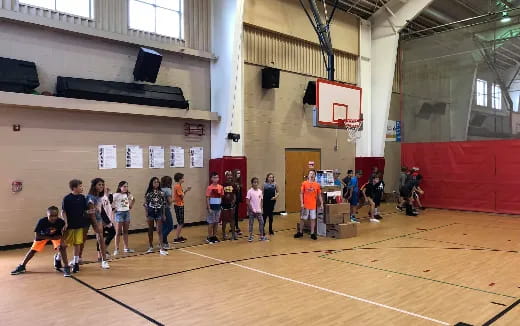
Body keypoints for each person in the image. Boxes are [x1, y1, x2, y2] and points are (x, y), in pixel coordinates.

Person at [11, 206, 71, 277]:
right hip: (43, 236)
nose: (53, 218)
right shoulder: (42, 221)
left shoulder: (61, 222)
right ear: (47, 214)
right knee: (32, 250)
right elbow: (37, 236)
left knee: (62, 247)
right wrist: (50, 238)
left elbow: (66, 232)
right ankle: (22, 266)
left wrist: (62, 240)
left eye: (55, 216)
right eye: (51, 216)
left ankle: (66, 267)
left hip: (56, 236)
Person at [61, 179, 89, 273]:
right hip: (70, 226)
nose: (82, 188)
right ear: (74, 188)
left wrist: (91, 211)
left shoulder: (82, 198)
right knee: (65, 245)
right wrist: (66, 222)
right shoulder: (67, 198)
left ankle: (76, 263)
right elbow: (63, 211)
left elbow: (85, 210)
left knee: (77, 244)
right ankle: (58, 257)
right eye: (80, 186)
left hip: (79, 225)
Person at [85, 178, 111, 269]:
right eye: (99, 184)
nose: (101, 186)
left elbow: (100, 210)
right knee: (82, 239)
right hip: (88, 219)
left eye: (102, 185)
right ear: (94, 186)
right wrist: (96, 224)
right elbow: (92, 213)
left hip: (98, 218)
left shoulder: (100, 197)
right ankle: (78, 258)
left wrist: (105, 221)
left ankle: (104, 260)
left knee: (100, 238)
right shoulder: (90, 197)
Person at [294, 170, 323, 240]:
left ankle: (312, 233)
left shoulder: (317, 185)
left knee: (313, 219)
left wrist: (321, 203)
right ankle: (300, 232)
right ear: (308, 175)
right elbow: (301, 193)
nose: (311, 175)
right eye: (310, 173)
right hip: (305, 205)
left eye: (313, 173)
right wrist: (302, 203)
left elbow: (319, 195)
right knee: (303, 219)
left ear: (315, 175)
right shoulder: (304, 183)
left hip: (313, 205)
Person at [144, 177, 168, 255]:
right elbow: (145, 204)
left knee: (159, 230)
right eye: (155, 182)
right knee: (150, 229)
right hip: (151, 213)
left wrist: (164, 214)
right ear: (152, 183)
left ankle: (161, 248)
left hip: (159, 213)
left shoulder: (162, 193)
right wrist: (146, 213)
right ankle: (150, 246)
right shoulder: (148, 193)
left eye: (158, 182)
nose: (156, 183)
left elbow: (164, 204)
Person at [112, 181, 135, 255]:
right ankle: (116, 249)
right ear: (120, 187)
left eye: (127, 186)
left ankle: (126, 248)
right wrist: (113, 209)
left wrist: (130, 205)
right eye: (124, 186)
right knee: (118, 232)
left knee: (125, 231)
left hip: (126, 213)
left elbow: (133, 199)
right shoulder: (116, 195)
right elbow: (109, 202)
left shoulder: (128, 194)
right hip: (119, 213)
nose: (126, 188)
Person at [247, 177, 267, 242]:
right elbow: (247, 201)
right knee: (251, 223)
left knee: (261, 222)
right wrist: (252, 209)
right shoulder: (250, 191)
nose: (255, 184)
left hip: (258, 211)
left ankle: (261, 236)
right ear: (252, 183)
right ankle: (250, 236)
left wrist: (260, 208)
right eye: (254, 182)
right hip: (252, 211)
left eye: (256, 182)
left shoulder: (260, 191)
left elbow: (261, 200)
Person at [173, 173, 191, 243]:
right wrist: (186, 190)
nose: (183, 179)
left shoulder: (179, 186)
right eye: (182, 178)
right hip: (179, 205)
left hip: (179, 204)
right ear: (179, 179)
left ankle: (178, 236)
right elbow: (181, 196)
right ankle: (176, 238)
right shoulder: (177, 186)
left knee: (180, 222)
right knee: (180, 222)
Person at [206, 172, 224, 244]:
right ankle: (209, 236)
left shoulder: (220, 187)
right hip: (212, 207)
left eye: (217, 177)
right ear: (211, 179)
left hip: (218, 207)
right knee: (211, 222)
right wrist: (209, 207)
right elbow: (207, 198)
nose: (216, 179)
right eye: (214, 177)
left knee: (216, 222)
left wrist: (220, 206)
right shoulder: (209, 187)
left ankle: (214, 235)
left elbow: (221, 197)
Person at [221, 171, 237, 240]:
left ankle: (233, 234)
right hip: (224, 204)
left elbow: (235, 194)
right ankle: (224, 234)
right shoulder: (223, 185)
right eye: (228, 175)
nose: (230, 177)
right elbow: (221, 195)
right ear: (226, 176)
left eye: (231, 175)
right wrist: (223, 198)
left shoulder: (234, 185)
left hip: (231, 204)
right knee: (224, 219)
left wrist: (234, 200)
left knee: (232, 219)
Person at [160, 176, 174, 249]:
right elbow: (170, 201)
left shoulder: (160, 189)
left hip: (160, 209)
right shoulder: (168, 190)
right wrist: (176, 200)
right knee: (170, 226)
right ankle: (161, 239)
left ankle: (164, 242)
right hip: (166, 209)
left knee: (164, 226)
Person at [233, 169, 243, 235]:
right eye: (237, 173)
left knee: (236, 214)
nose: (238, 174)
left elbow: (240, 192)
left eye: (239, 173)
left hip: (237, 200)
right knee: (233, 214)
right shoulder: (233, 182)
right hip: (234, 200)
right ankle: (235, 227)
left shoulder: (239, 182)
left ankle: (235, 226)